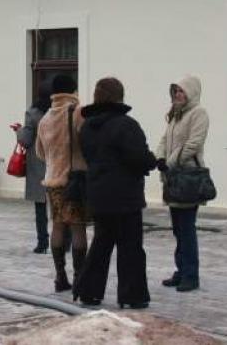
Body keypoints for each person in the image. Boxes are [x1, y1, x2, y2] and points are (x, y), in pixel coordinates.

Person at [75, 77, 157, 309]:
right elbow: (138, 157)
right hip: (125, 196)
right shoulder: (126, 125)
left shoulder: (87, 126)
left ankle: (88, 291)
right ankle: (133, 295)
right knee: (130, 246)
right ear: (120, 97)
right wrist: (152, 162)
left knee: (101, 243)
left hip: (98, 194)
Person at [35, 74, 89, 293]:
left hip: (52, 180)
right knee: (78, 229)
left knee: (57, 225)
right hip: (73, 179)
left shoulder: (46, 117)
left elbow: (40, 152)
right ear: (73, 90)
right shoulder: (77, 112)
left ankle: (60, 277)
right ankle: (79, 278)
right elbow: (87, 143)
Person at [156, 75, 210, 293]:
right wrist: (159, 157)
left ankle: (191, 274)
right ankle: (181, 269)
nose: (178, 95)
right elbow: (164, 139)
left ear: (191, 92)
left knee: (186, 228)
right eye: (175, 91)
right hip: (172, 178)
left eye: (181, 91)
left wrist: (171, 161)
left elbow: (194, 144)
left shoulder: (198, 113)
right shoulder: (175, 115)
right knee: (178, 228)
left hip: (186, 177)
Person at [13, 83, 51, 254]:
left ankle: (42, 243)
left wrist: (19, 131)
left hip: (39, 164)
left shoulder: (33, 113)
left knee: (40, 206)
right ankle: (66, 242)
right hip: (59, 163)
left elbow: (26, 140)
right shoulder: (63, 113)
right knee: (62, 206)